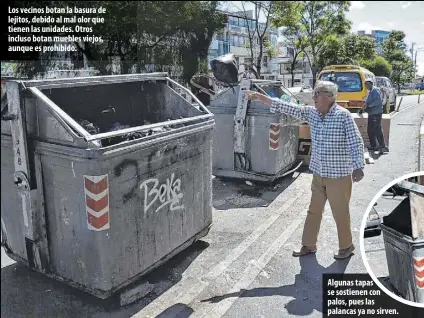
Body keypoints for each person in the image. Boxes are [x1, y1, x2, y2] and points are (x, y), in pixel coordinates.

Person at [246, 81, 365, 259]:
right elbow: (287, 107)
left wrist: (358, 166)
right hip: (318, 173)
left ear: (331, 97)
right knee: (313, 210)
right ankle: (309, 245)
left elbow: (356, 142)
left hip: (338, 175)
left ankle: (346, 246)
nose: (314, 97)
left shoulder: (343, 116)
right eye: (315, 93)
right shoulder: (312, 113)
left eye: (319, 94)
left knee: (340, 212)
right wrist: (261, 98)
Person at [361, 79, 389, 154]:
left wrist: (369, 106)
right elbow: (368, 101)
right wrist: (364, 107)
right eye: (365, 85)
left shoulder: (375, 91)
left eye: (367, 84)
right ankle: (374, 147)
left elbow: (378, 101)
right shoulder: (370, 91)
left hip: (376, 114)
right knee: (370, 131)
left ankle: (383, 147)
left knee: (377, 130)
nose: (366, 86)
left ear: (370, 84)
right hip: (371, 114)